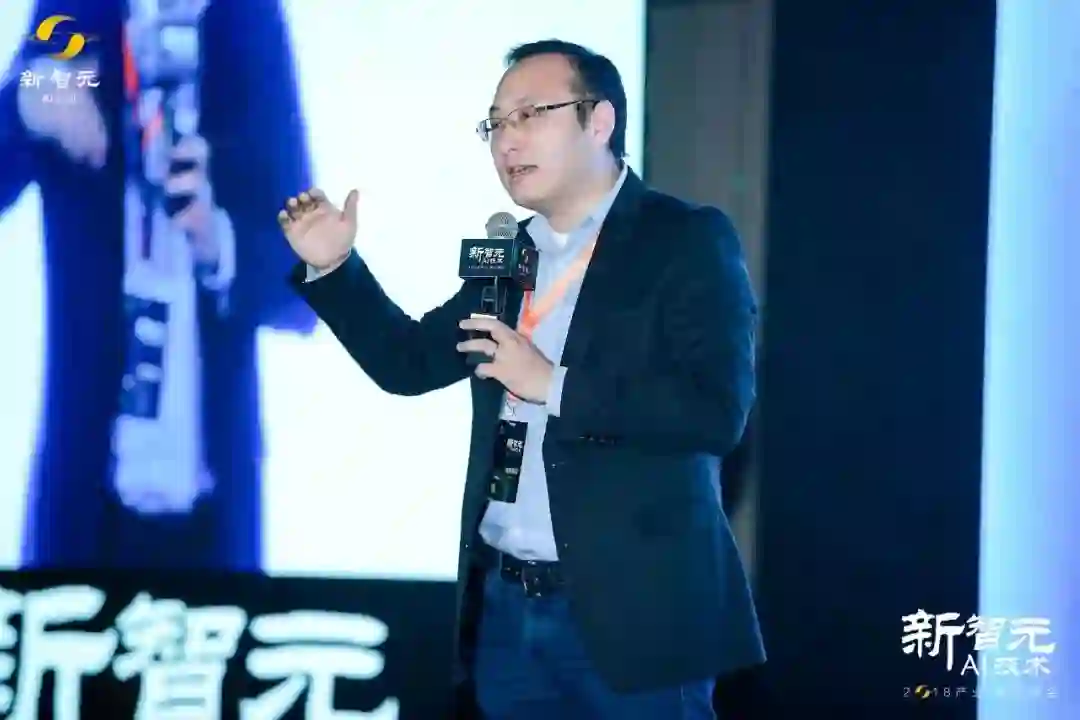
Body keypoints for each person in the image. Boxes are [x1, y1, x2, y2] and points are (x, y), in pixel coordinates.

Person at [280, 39, 763, 719]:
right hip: (508, 611)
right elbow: (408, 362)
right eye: (496, 123)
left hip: (636, 615)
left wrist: (551, 383)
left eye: (531, 114)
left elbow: (715, 411)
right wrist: (335, 268)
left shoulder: (682, 239)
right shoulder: (511, 255)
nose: (507, 140)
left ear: (600, 121)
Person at [0, 0, 313, 569]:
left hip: (213, 513)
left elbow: (303, 287)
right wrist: (25, 102)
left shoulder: (246, 20)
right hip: (82, 509)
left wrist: (218, 241)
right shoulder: (77, 13)